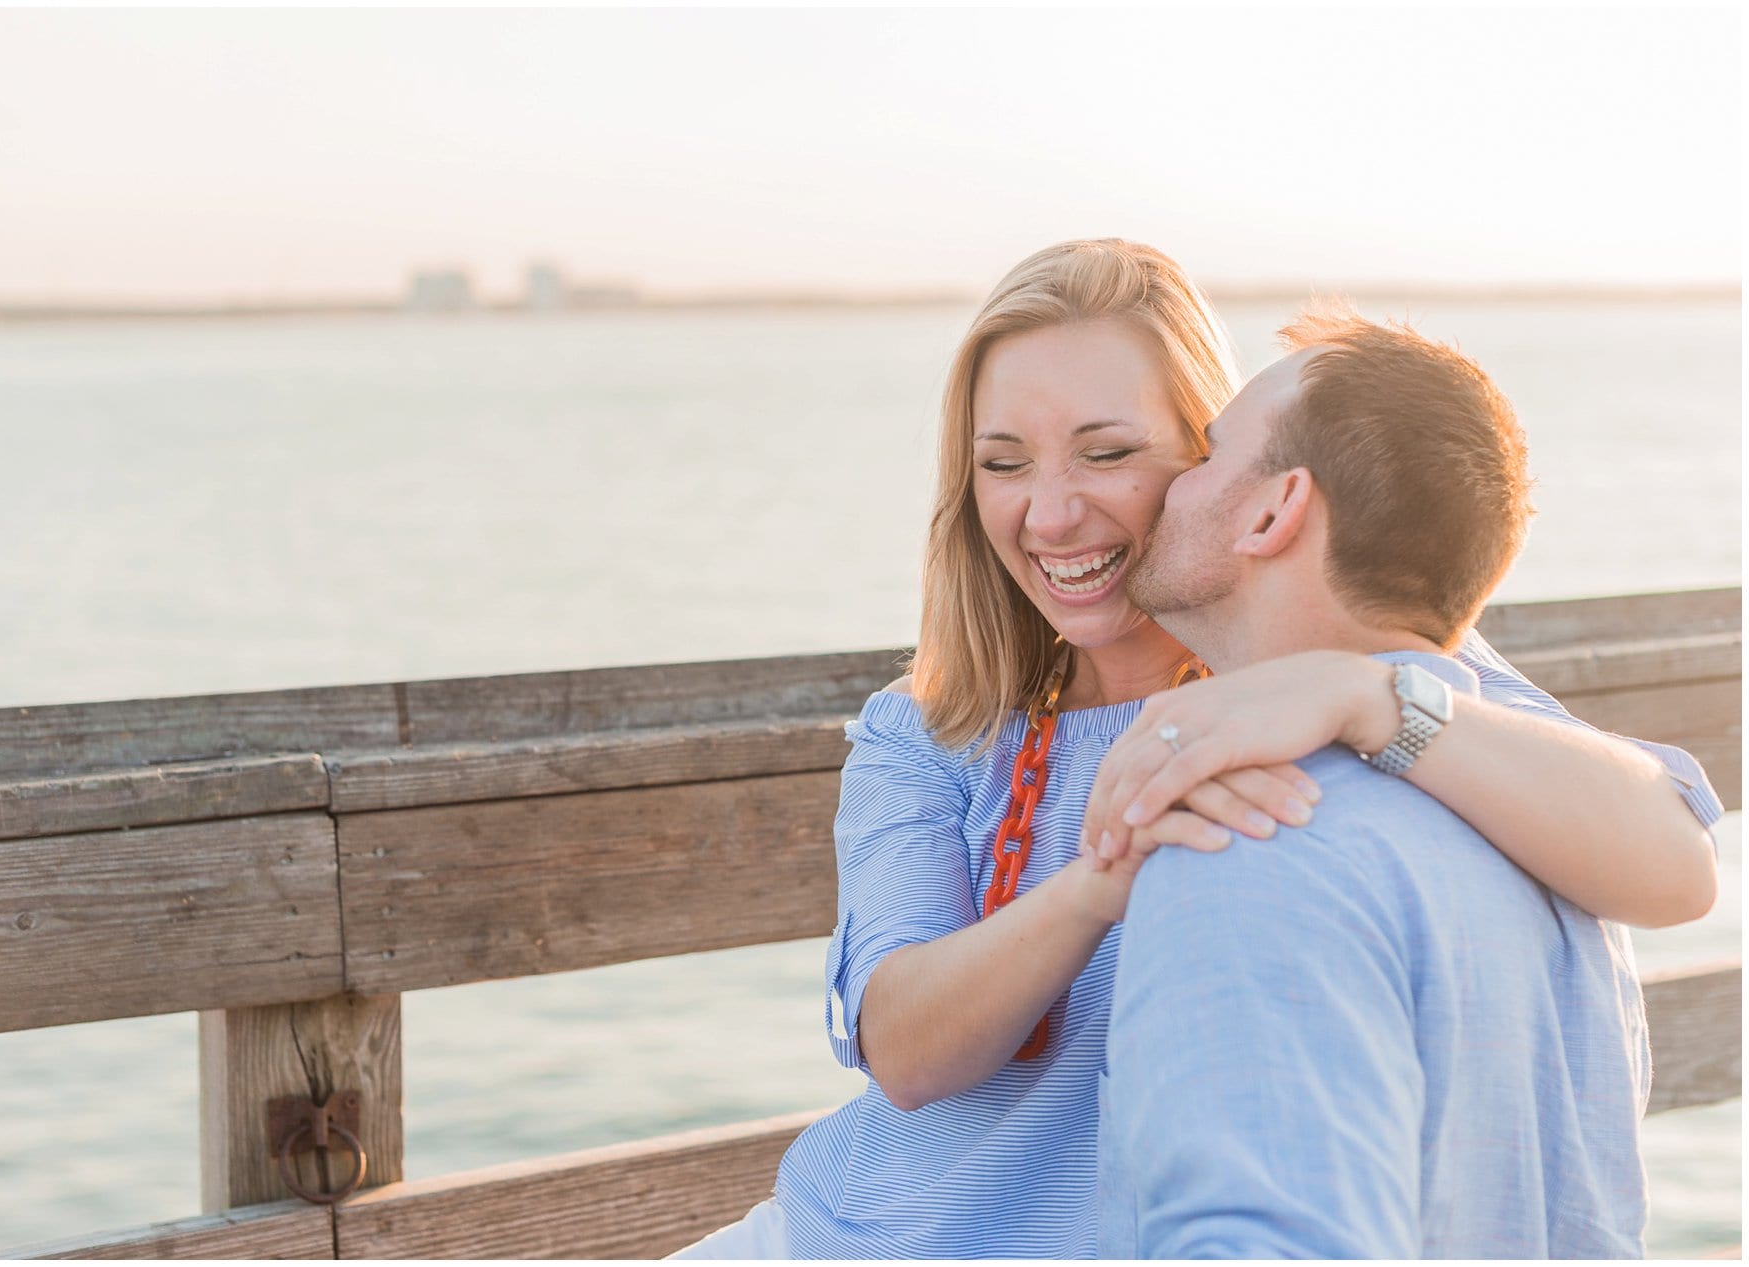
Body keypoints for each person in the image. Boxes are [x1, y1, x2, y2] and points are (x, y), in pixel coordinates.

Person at [672, 241, 1720, 1259]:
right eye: (1003, 463)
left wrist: (1356, 693)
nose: (1049, 512)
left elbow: (1673, 861)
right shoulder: (936, 722)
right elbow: (900, 1045)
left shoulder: (1346, 667)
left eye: (1108, 451)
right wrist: (1100, 882)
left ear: (1208, 460)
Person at [1095, 308, 1669, 1256]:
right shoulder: (1553, 834)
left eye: (1205, 454)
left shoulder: (1244, 830)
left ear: (1274, 509)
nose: (1169, 488)